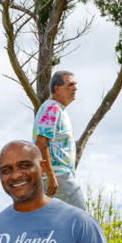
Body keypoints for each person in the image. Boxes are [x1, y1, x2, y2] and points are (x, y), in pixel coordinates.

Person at [33, 70, 86, 210]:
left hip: (58, 176)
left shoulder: (57, 109)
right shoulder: (52, 108)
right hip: (58, 175)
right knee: (83, 218)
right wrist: (51, 175)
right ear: (57, 89)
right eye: (70, 85)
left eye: (75, 84)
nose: (75, 88)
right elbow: (40, 142)